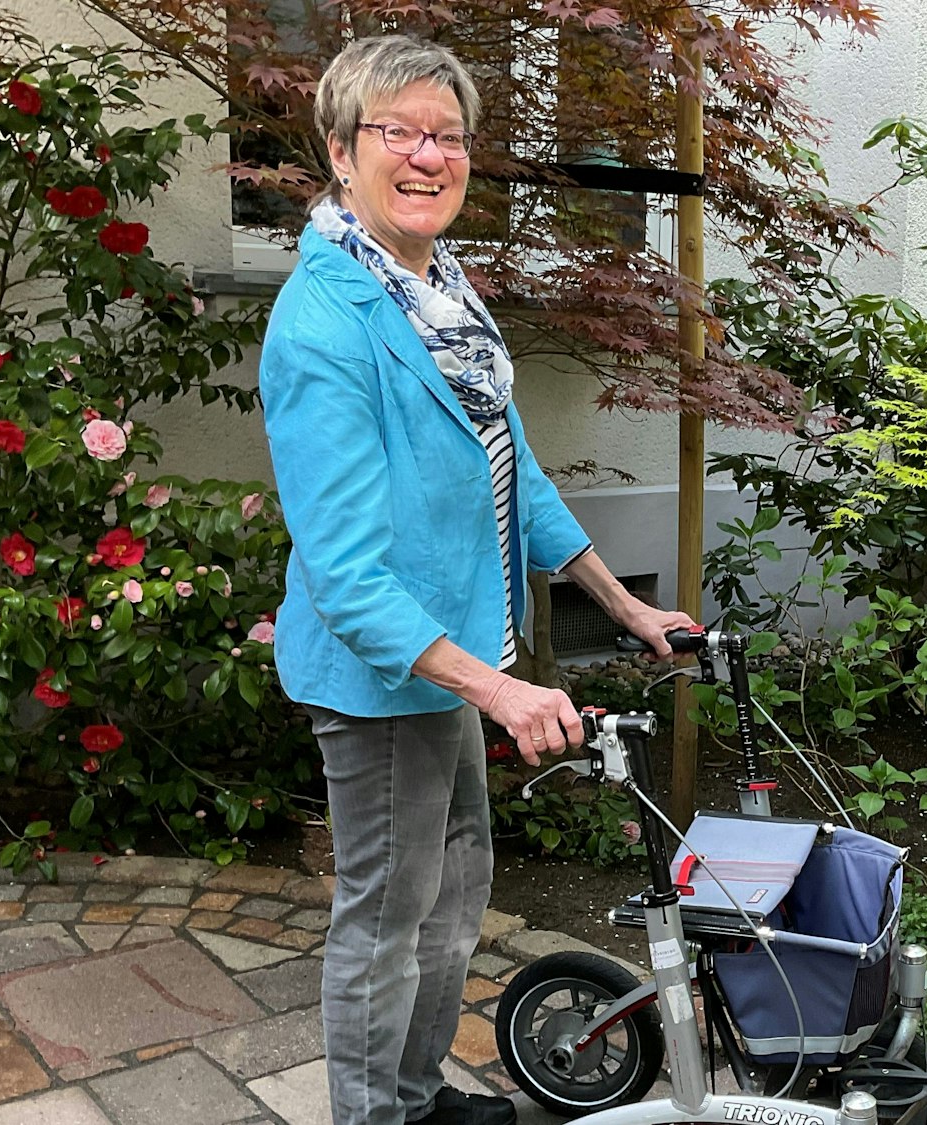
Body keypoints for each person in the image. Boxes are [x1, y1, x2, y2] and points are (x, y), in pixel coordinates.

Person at [258, 34, 696, 1125]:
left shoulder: (436, 290)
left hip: (452, 657)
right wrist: (499, 691)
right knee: (386, 914)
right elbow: (348, 577)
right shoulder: (327, 326)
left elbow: (515, 475)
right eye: (395, 132)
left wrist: (625, 606)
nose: (426, 156)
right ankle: (376, 1117)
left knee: (453, 893)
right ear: (339, 150)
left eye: (446, 137)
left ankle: (412, 1093)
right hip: (385, 676)